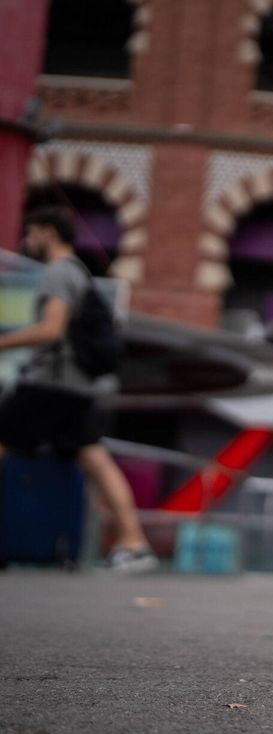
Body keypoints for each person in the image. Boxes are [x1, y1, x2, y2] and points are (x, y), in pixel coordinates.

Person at [0, 206, 157, 572]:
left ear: (49, 233)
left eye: (31, 233)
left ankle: (133, 544)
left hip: (50, 382)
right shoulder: (81, 274)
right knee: (95, 458)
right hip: (79, 386)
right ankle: (135, 544)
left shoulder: (58, 273)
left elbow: (51, 330)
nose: (27, 242)